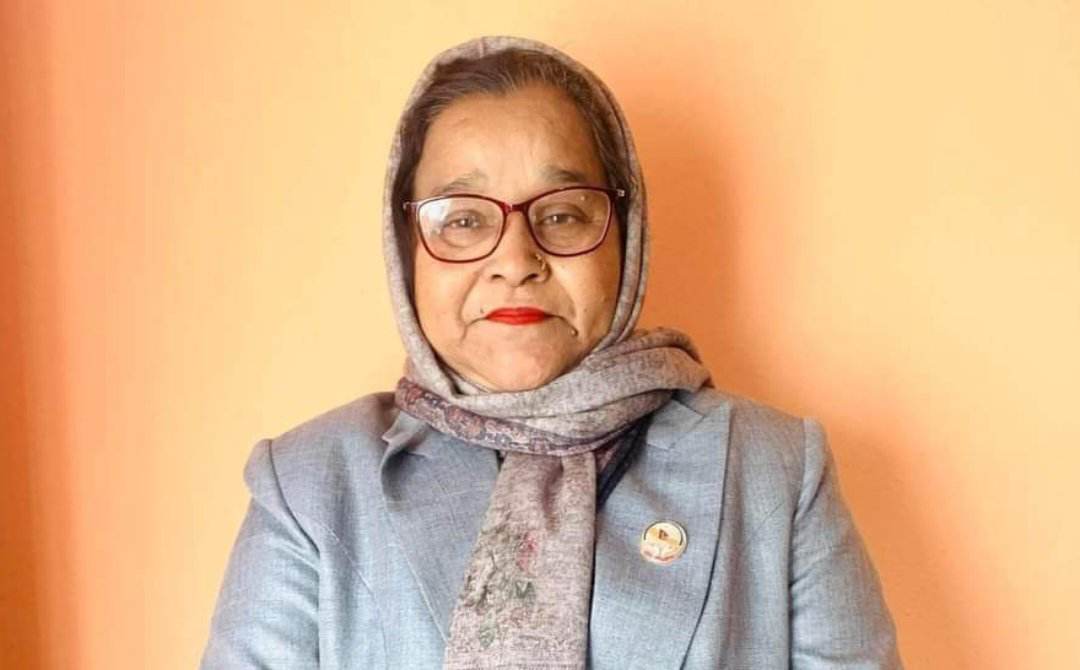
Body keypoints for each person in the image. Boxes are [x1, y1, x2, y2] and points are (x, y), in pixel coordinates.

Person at [200, 35, 903, 669]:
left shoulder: (773, 472)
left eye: (562, 213)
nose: (515, 259)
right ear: (406, 246)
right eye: (462, 219)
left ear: (625, 236)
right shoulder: (310, 487)